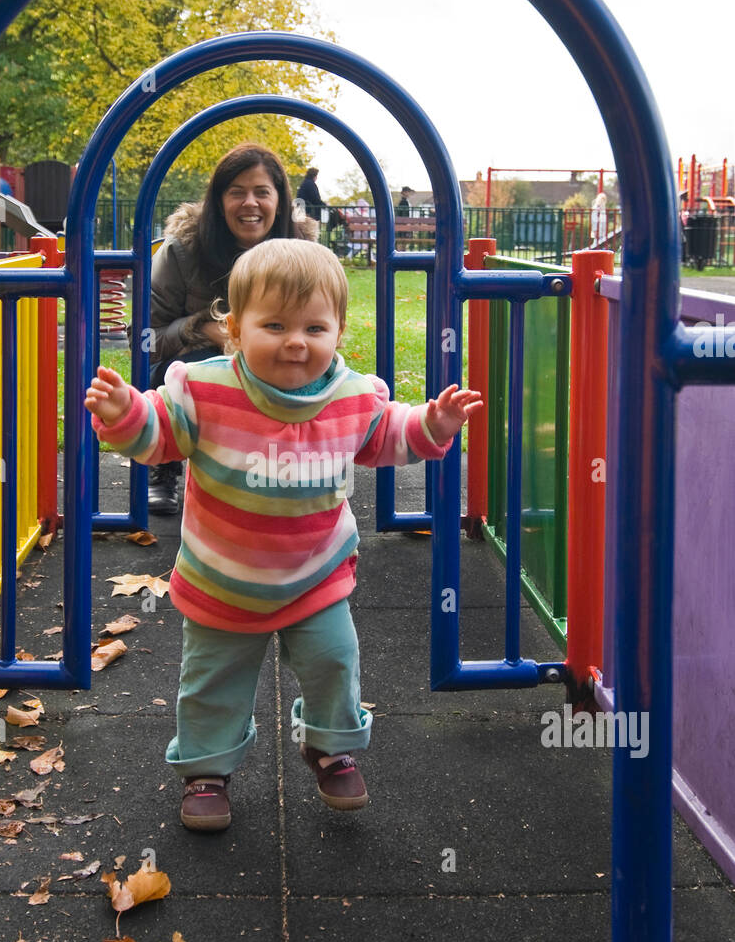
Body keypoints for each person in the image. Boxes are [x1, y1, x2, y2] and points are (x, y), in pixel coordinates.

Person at [86, 239, 483, 832]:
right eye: (273, 325)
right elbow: (160, 435)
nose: (296, 341)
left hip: (316, 577)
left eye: (314, 327)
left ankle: (328, 745)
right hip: (223, 579)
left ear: (338, 331)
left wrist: (433, 422)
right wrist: (125, 415)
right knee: (212, 679)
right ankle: (207, 769)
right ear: (234, 330)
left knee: (333, 661)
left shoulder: (351, 396)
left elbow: (385, 435)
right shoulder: (205, 388)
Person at [146, 142, 315, 513]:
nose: (249, 204)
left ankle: (297, 464)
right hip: (202, 360)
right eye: (236, 192)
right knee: (196, 368)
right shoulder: (182, 251)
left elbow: (321, 324)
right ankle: (164, 466)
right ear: (219, 201)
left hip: (275, 362)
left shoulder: (302, 254)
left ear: (280, 201)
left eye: (262, 192)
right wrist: (201, 329)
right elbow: (145, 340)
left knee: (308, 365)